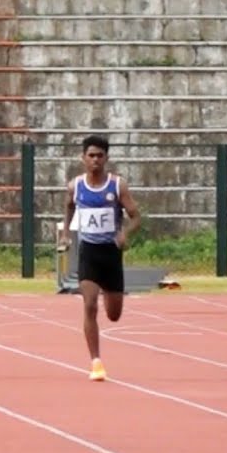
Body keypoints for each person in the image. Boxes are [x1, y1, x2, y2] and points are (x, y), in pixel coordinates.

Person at [57, 135, 142, 382]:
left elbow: (136, 216)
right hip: (89, 253)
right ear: (83, 158)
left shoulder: (117, 186)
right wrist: (65, 233)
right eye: (91, 155)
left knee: (114, 314)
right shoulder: (76, 186)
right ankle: (96, 362)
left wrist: (125, 232)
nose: (95, 160)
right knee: (89, 304)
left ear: (106, 158)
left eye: (100, 156)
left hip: (111, 254)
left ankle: (109, 292)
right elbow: (69, 206)